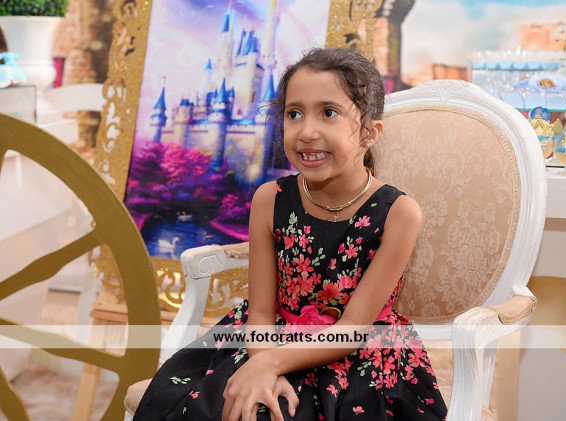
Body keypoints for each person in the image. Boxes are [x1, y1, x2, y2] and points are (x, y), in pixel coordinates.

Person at [133, 47, 447, 421]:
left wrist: (270, 365)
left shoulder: (399, 214)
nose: (306, 132)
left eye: (328, 113)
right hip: (263, 341)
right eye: (294, 114)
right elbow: (260, 310)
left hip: (354, 356)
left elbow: (352, 328)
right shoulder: (270, 199)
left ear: (369, 133)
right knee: (204, 405)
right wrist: (261, 364)